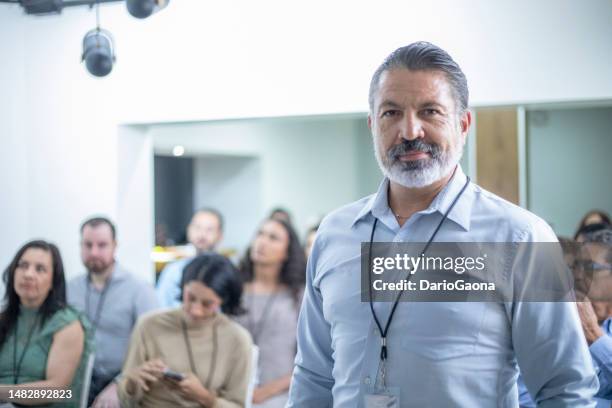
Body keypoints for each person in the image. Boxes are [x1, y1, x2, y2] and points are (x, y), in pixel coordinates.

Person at [287, 41, 598, 407]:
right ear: (373, 125)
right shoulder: (334, 235)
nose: (410, 131)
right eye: (391, 113)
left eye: (430, 111)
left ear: (463, 124)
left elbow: (565, 390)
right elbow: (313, 378)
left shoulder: (521, 238)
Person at [117, 252, 252, 408]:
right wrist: (134, 382)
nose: (196, 310)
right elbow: (125, 400)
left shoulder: (238, 339)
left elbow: (237, 405)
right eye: (191, 298)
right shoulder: (149, 325)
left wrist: (206, 398)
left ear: (224, 301)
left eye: (207, 304)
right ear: (182, 288)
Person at [66, 217, 158, 407]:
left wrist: (120, 384)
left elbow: (155, 348)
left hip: (122, 381)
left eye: (102, 245)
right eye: (88, 245)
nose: (94, 252)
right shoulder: (70, 288)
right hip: (77, 380)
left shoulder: (139, 289)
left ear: (115, 246)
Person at [0, 240, 93, 407]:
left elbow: (54, 391)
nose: (28, 274)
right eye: (22, 265)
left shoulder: (67, 324)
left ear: (53, 282)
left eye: (40, 269)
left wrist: (4, 392)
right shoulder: (4, 318)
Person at [235, 218, 305, 408]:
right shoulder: (234, 291)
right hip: (234, 393)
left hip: (282, 395)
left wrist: (266, 392)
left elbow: (311, 358)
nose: (262, 242)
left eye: (273, 238)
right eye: (260, 234)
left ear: (287, 252)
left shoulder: (299, 296)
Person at [156, 208, 224, 308]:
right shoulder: (173, 271)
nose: (202, 234)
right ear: (188, 229)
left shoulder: (226, 271)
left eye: (209, 229)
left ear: (220, 235)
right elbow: (161, 308)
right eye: (197, 227)